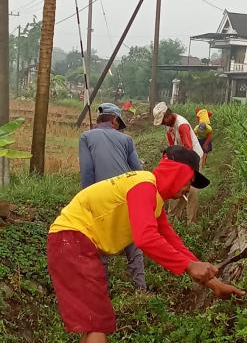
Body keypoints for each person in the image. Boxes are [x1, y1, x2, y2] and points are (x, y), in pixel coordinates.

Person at [47, 146, 245, 343]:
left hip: (75, 243)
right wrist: (189, 265)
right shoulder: (144, 185)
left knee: (94, 323)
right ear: (177, 172)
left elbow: (172, 242)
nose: (187, 189)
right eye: (189, 181)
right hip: (71, 240)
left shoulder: (153, 198)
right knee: (97, 324)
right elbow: (145, 237)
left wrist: (215, 284)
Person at [79, 102, 146, 290]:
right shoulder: (126, 140)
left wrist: (86, 201)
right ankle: (140, 289)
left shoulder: (86, 137)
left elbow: (87, 171)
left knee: (101, 244)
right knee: (133, 243)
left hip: (101, 196)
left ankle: (102, 291)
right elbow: (138, 171)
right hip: (126, 194)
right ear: (115, 120)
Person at [153, 102, 203, 224]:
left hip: (193, 158)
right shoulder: (169, 125)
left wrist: (183, 172)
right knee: (175, 186)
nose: (163, 124)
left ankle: (191, 222)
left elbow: (188, 149)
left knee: (191, 189)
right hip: (180, 158)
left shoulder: (182, 125)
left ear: (167, 115)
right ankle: (173, 217)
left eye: (163, 121)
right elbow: (172, 146)